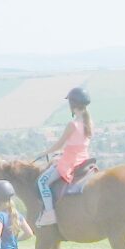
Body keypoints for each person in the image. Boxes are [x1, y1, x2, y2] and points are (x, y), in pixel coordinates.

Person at [34, 87, 94, 227]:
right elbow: (77, 146)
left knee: (42, 182)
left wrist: (45, 153)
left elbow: (59, 144)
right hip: (83, 159)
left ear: (72, 105)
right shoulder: (89, 123)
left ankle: (49, 214)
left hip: (70, 162)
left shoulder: (72, 125)